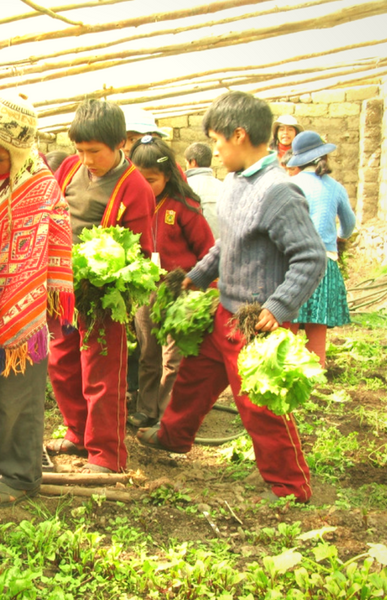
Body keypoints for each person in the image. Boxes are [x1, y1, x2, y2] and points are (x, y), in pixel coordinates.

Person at [136, 91, 327, 503]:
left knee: (260, 407)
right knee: (193, 378)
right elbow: (229, 245)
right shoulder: (237, 184)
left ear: (239, 135)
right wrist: (197, 275)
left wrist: (278, 307)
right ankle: (172, 437)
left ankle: (289, 487)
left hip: (256, 323)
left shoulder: (278, 192)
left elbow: (310, 258)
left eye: (218, 141)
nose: (216, 150)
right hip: (225, 311)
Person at [0, 94, 74, 507]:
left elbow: (58, 236)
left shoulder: (39, 184)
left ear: (18, 153)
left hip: (22, 312)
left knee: (18, 399)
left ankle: (21, 475)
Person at [47, 100, 155, 474]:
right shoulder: (68, 169)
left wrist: (109, 277)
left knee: (102, 374)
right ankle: (78, 434)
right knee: (61, 364)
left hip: (102, 294)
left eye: (94, 152)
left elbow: (142, 253)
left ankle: (106, 454)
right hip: (64, 288)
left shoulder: (136, 188)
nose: (86, 159)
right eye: (80, 150)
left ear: (120, 144)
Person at [129, 136, 214, 430]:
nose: (144, 186)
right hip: (146, 291)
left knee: (173, 358)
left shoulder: (183, 207)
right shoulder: (132, 205)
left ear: (168, 175)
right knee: (147, 353)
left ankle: (168, 417)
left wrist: (205, 290)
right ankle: (146, 409)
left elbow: (208, 250)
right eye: (139, 179)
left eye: (151, 180)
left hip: (181, 292)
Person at [287, 131, 356, 367]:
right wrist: (338, 238)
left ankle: (287, 364)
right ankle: (316, 366)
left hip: (293, 262)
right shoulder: (335, 187)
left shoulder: (290, 184)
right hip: (324, 261)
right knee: (318, 320)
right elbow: (349, 224)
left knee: (290, 316)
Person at [184, 142, 223, 239]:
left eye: (186, 162)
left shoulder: (184, 186)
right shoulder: (223, 187)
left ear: (193, 162)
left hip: (197, 248)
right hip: (220, 248)